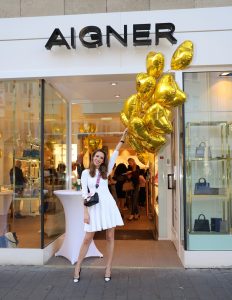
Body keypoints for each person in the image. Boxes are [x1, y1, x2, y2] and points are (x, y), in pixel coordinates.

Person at [73, 128, 128, 283]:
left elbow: (116, 151)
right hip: (94, 206)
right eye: (96, 156)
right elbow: (84, 193)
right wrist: (85, 212)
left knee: (110, 236)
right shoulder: (85, 173)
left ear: (104, 160)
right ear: (92, 157)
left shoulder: (106, 171)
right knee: (87, 238)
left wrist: (122, 137)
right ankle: (78, 266)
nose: (98, 159)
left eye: (101, 157)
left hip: (108, 205)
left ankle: (108, 267)